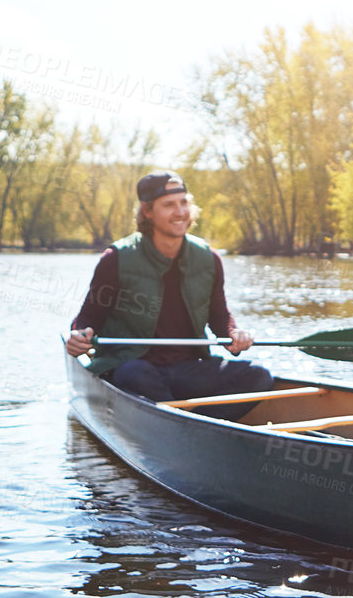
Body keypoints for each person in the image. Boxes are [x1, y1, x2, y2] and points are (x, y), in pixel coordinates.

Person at [65, 171, 273, 418]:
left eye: (184, 202)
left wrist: (233, 334)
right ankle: (186, 421)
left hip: (188, 371)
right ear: (147, 210)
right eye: (169, 205)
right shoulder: (117, 258)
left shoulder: (209, 259)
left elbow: (219, 316)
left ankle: (198, 423)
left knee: (259, 376)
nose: (180, 212)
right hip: (133, 367)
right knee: (134, 373)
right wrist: (79, 335)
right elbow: (89, 317)